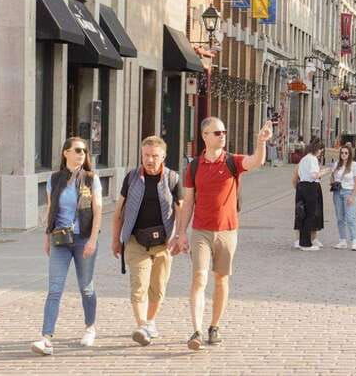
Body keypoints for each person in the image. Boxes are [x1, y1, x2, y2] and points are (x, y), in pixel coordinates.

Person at [168, 117, 272, 351]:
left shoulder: (232, 161)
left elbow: (256, 161)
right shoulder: (194, 166)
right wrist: (181, 233)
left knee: (221, 279)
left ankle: (214, 326)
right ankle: (196, 330)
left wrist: (261, 142)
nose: (222, 135)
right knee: (199, 278)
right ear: (205, 136)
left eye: (224, 131)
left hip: (227, 231)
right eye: (217, 132)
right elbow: (188, 203)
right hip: (201, 231)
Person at [32, 137, 102, 356]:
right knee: (54, 289)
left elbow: (98, 210)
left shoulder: (92, 179)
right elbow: (51, 209)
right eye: (77, 150)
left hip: (83, 239)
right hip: (60, 239)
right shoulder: (54, 179)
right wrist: (47, 236)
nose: (82, 154)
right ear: (66, 153)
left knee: (86, 288)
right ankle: (46, 338)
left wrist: (92, 239)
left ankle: (90, 327)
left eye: (84, 151)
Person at [111, 136, 182, 347]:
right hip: (135, 240)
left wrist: (178, 236)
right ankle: (142, 326)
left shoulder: (173, 178)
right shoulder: (132, 177)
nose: (149, 160)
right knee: (138, 285)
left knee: (158, 288)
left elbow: (180, 211)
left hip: (163, 242)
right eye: (146, 156)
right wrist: (116, 239)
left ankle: (151, 322)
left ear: (163, 156)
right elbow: (118, 212)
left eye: (154, 156)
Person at [291, 139, 329, 251]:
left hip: (302, 186)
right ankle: (306, 243)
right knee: (309, 215)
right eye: (321, 151)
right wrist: (326, 171)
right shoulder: (312, 159)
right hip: (310, 187)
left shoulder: (303, 159)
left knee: (302, 214)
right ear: (318, 149)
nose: (321, 153)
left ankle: (301, 241)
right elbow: (314, 175)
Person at [330, 144, 356, 251]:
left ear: (349, 154)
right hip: (337, 193)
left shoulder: (354, 165)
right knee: (340, 217)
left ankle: (354, 240)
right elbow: (332, 177)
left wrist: (353, 196)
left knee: (350, 217)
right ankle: (342, 240)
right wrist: (333, 181)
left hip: (348, 192)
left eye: (346, 153)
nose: (344, 155)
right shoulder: (336, 165)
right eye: (342, 153)